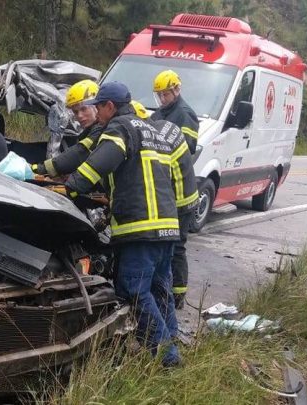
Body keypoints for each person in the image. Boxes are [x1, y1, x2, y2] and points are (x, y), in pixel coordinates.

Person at [60, 81, 182, 367]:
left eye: (97, 107)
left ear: (109, 106)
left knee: (133, 290)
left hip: (141, 229)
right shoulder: (149, 127)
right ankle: (171, 341)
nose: (95, 113)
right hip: (167, 226)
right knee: (159, 288)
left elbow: (95, 165)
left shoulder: (119, 128)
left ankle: (167, 357)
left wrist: (72, 187)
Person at [150, 70, 200, 309]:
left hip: (182, 194)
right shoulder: (160, 113)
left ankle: (178, 295)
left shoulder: (185, 114)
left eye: (165, 94)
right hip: (167, 190)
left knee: (177, 246)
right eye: (159, 95)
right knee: (166, 244)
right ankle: (164, 288)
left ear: (176, 90)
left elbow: (187, 148)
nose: (162, 98)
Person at [31, 79, 102, 177]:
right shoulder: (90, 130)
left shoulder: (103, 129)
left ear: (97, 105)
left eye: (83, 109)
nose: (80, 116)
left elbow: (78, 153)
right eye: (76, 112)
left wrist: (39, 168)